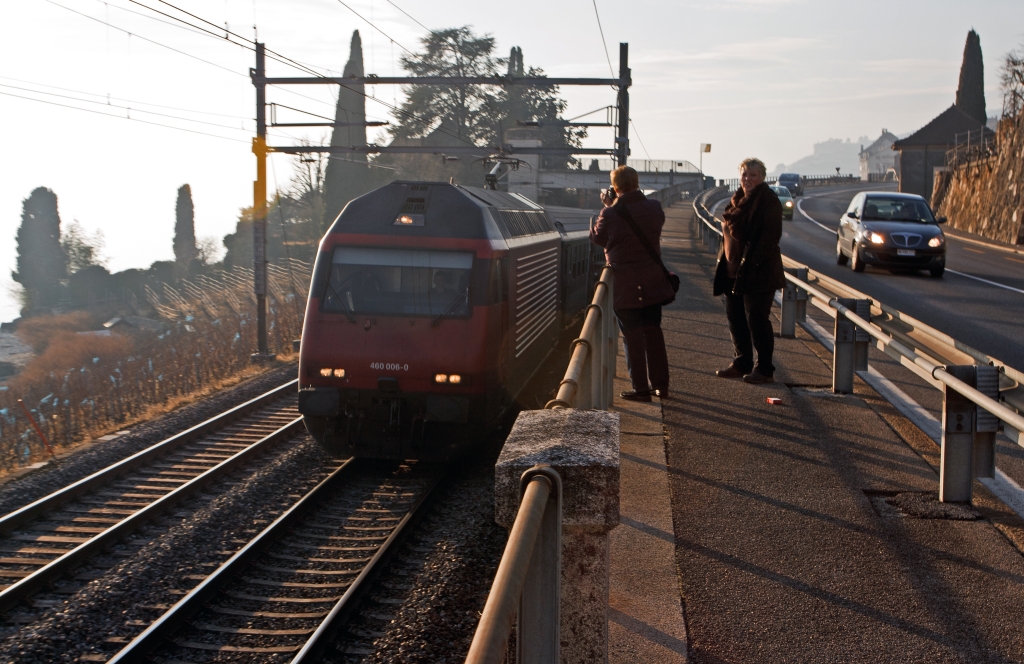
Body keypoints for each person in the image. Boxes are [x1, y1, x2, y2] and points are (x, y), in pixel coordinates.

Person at [590, 165, 674, 402]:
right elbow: (652, 225)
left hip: (625, 284)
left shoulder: (610, 213)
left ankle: (641, 389)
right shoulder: (655, 207)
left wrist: (609, 207)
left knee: (632, 336)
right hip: (652, 282)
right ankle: (661, 386)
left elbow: (597, 238)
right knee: (653, 332)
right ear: (637, 182)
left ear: (615, 187)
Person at [713, 158, 785, 384]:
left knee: (757, 320)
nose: (747, 179)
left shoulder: (768, 200)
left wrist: (752, 265)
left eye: (753, 175)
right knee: (736, 319)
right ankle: (741, 362)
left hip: (758, 272)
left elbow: (770, 238)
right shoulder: (736, 201)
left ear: (762, 177)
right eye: (744, 175)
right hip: (733, 270)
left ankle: (764, 369)